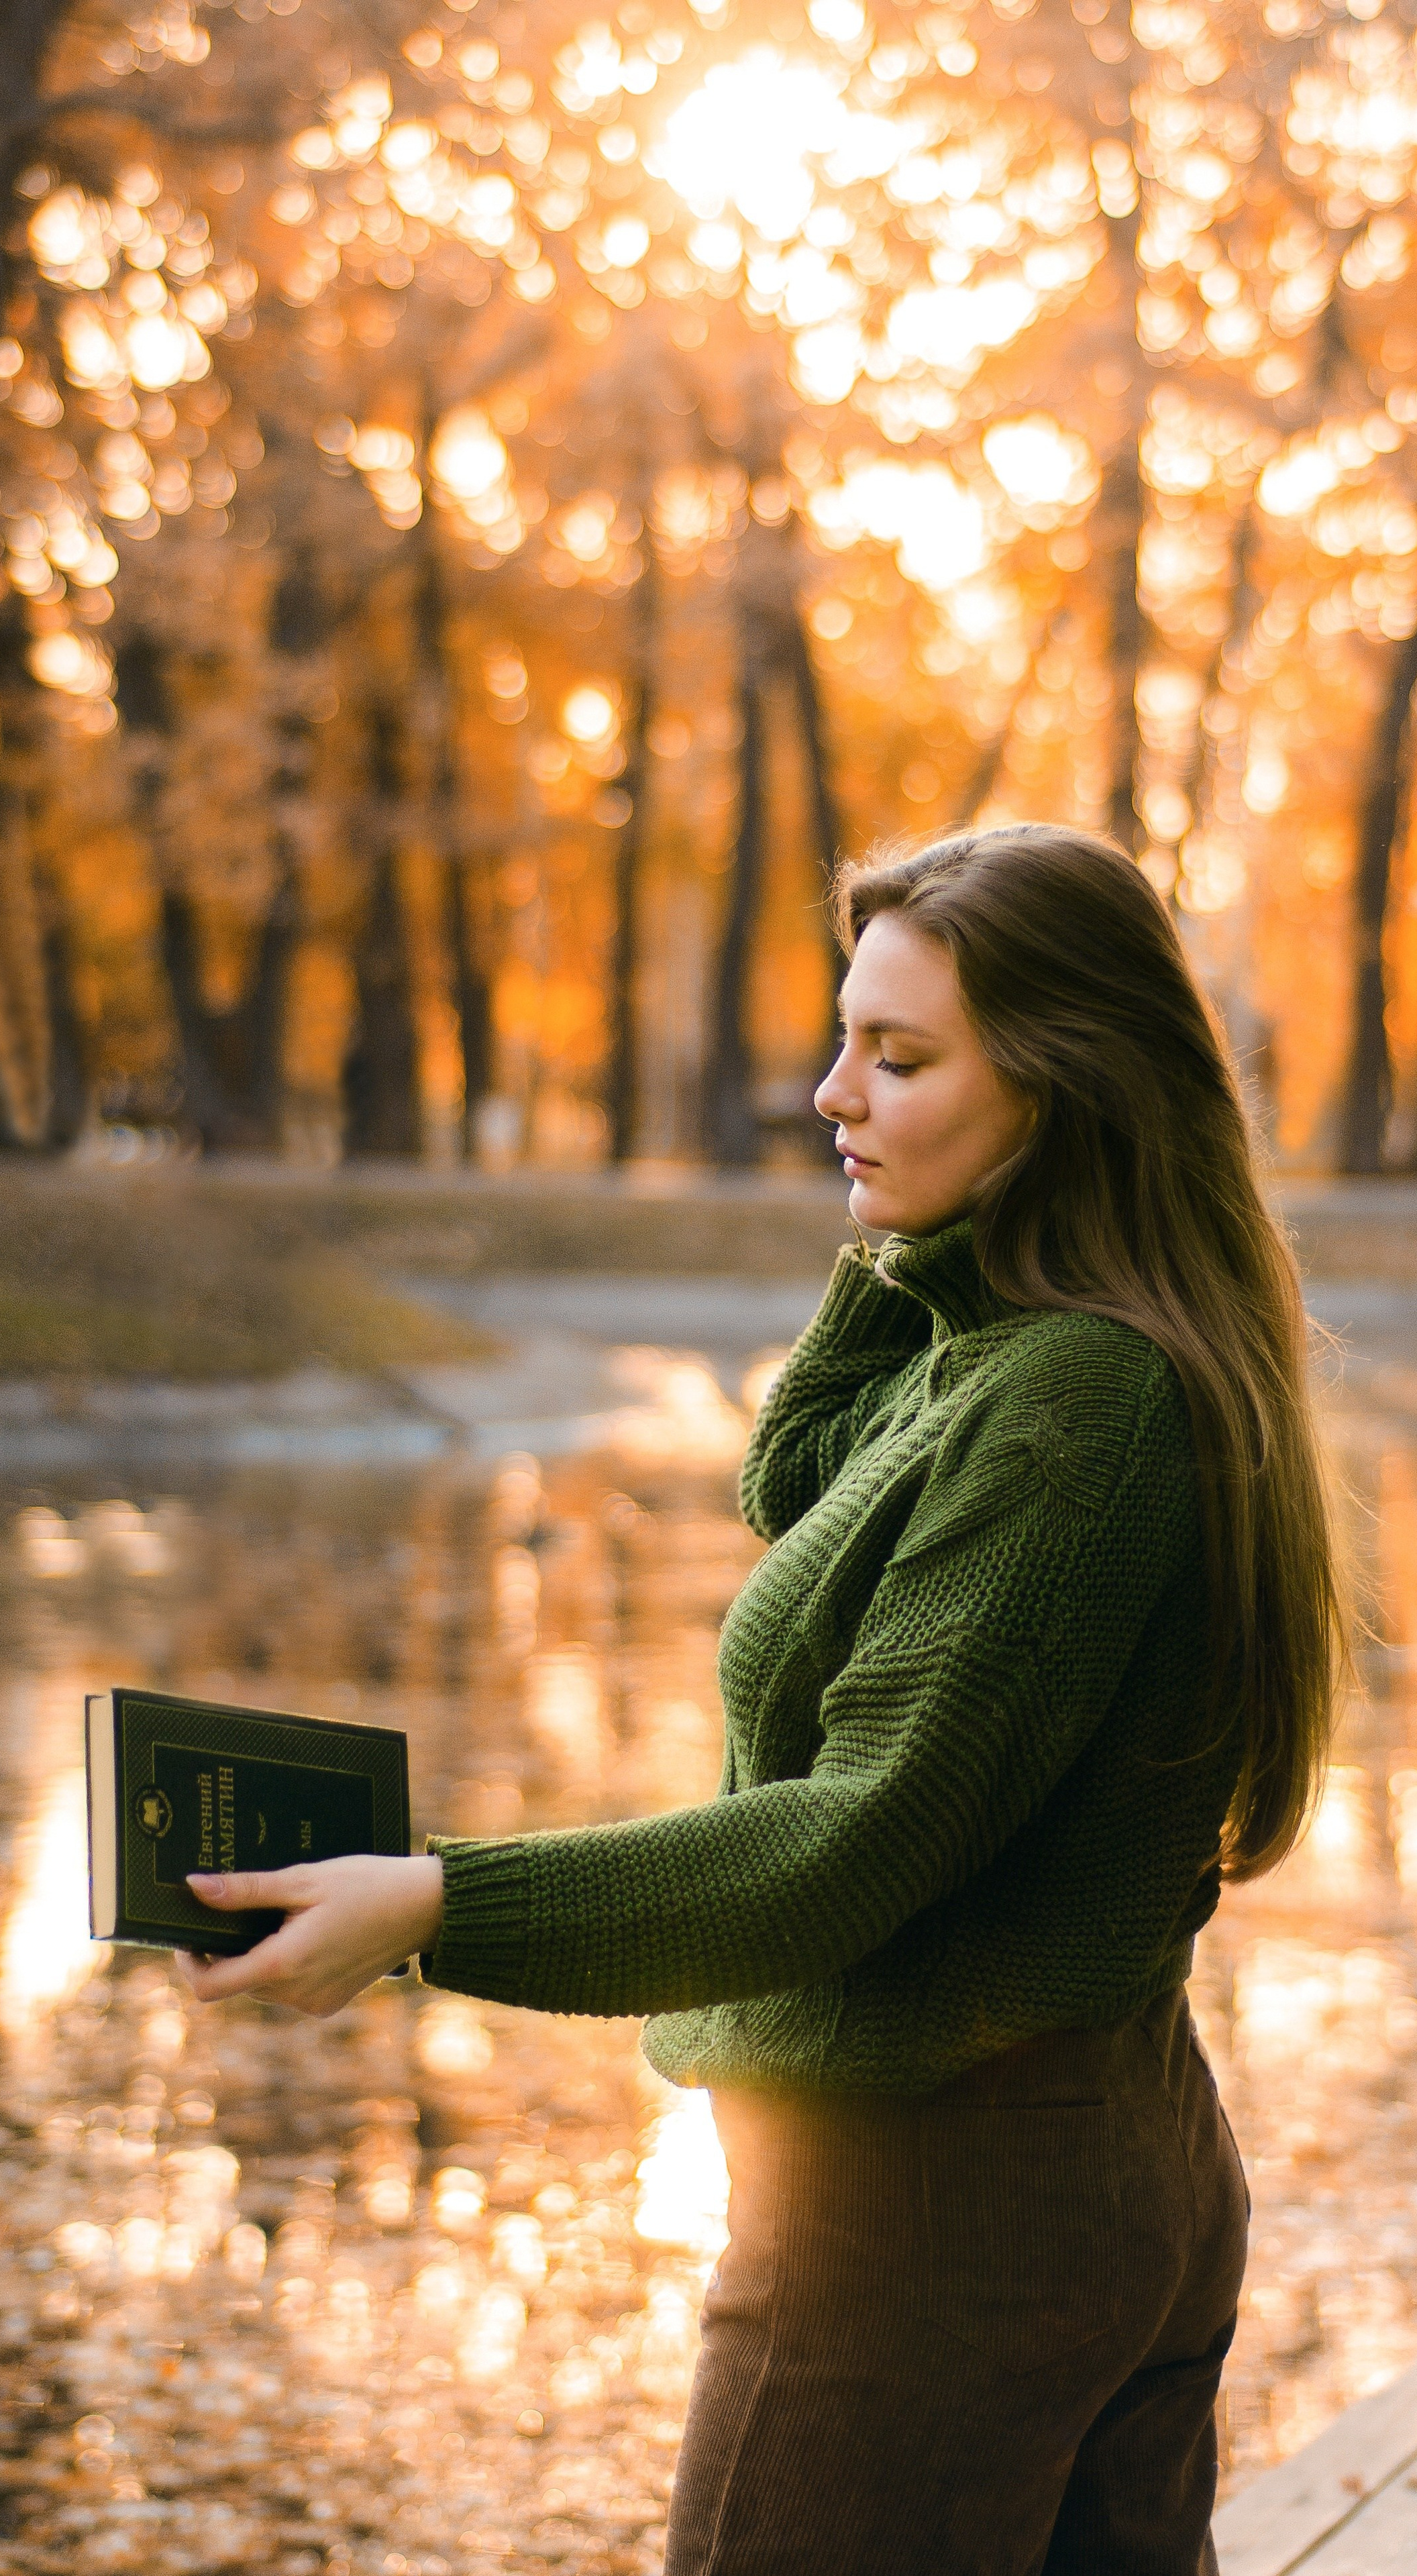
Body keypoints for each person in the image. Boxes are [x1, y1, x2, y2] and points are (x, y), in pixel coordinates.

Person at [179, 822, 1343, 2575]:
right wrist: (904, 1215)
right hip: (1090, 2167)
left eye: (901, 1054)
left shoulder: (1070, 1406)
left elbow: (845, 1849)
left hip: (926, 2223)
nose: (828, 1093)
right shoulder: (1034, 1345)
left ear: (1072, 1088)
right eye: (844, 1039)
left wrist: (437, 1902)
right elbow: (798, 1472)